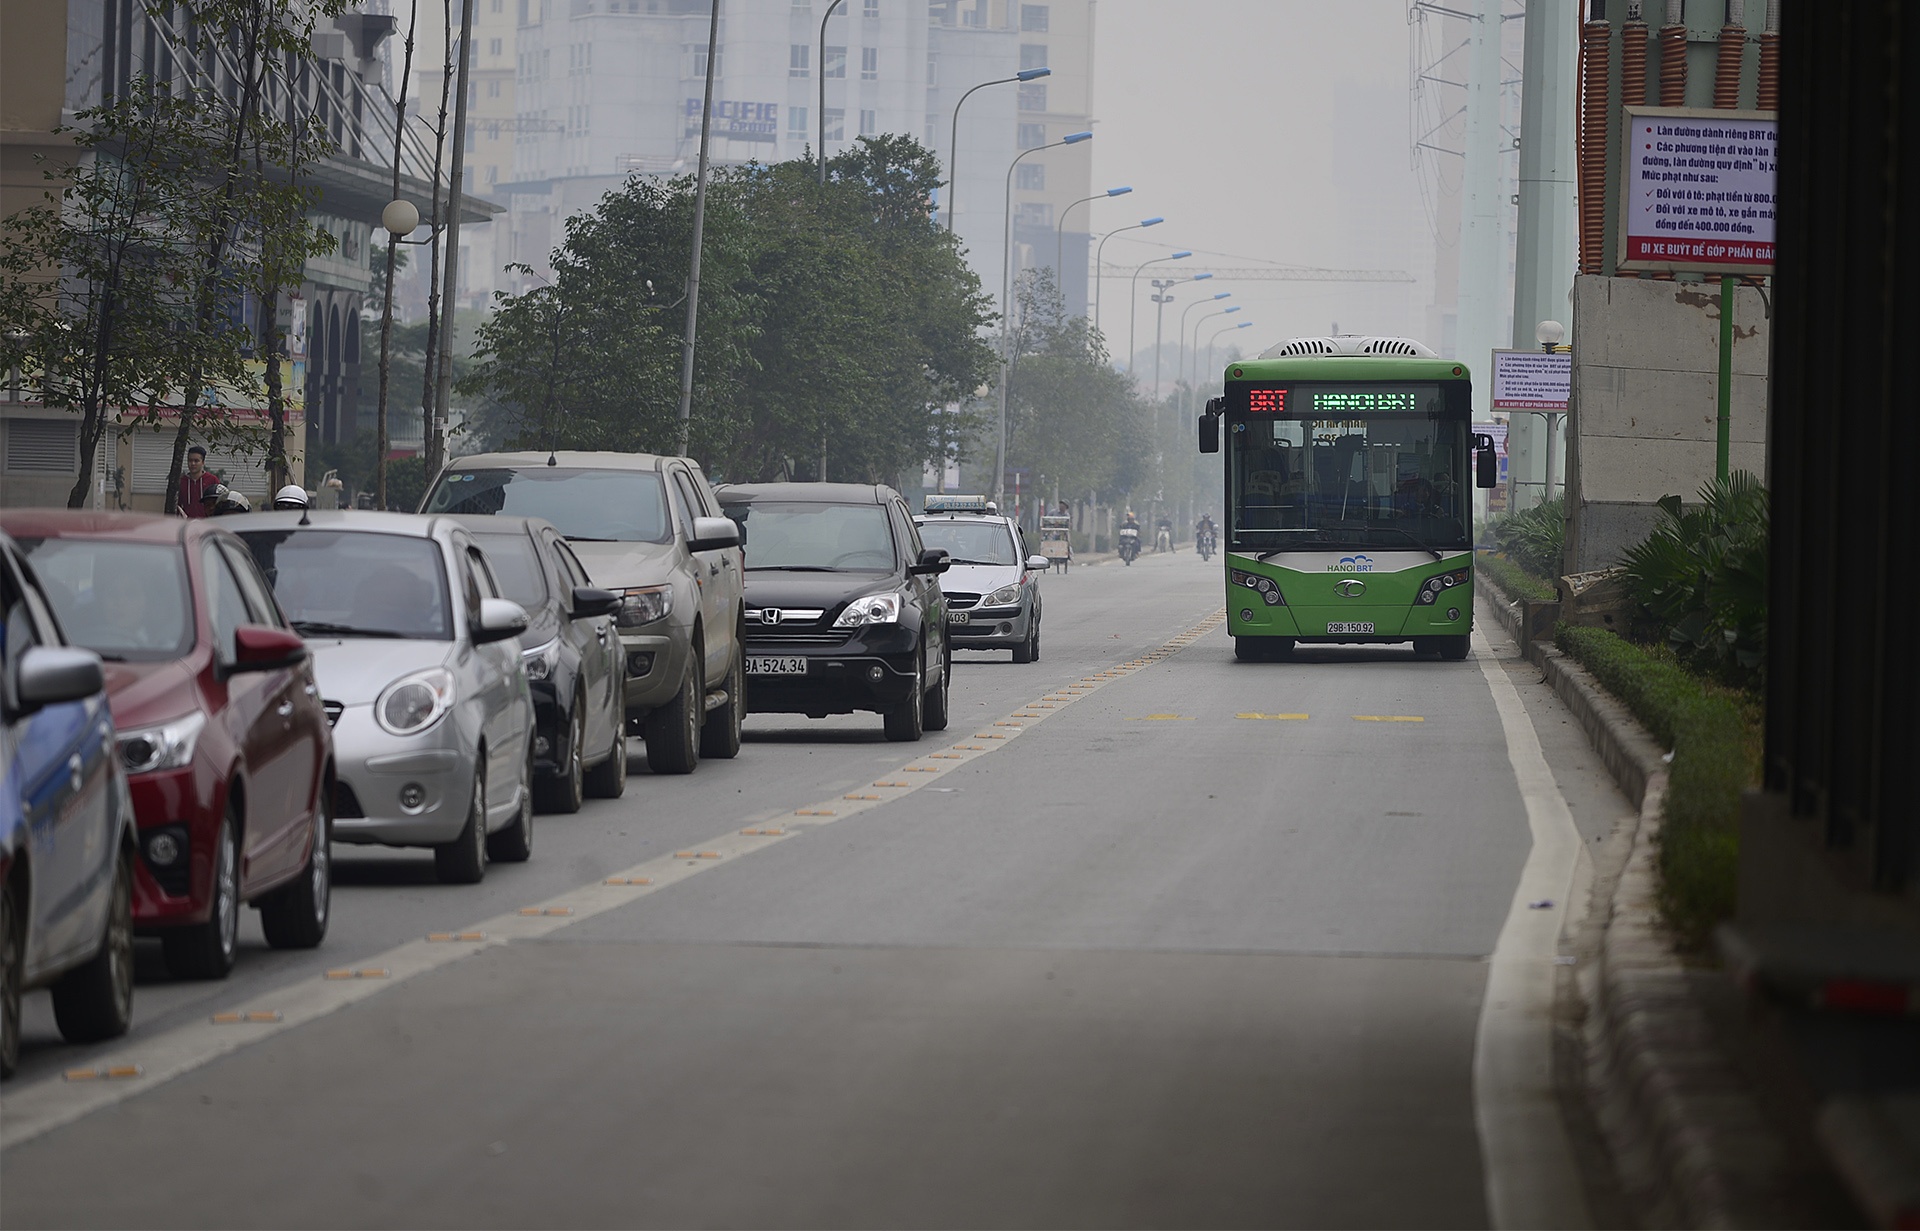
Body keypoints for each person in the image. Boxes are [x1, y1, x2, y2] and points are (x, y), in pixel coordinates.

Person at [178, 446, 219, 518]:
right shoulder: (181, 482)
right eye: (190, 460)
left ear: (203, 462)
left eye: (196, 461)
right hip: (187, 524)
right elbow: (177, 505)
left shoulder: (212, 480)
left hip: (207, 522)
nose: (193, 464)